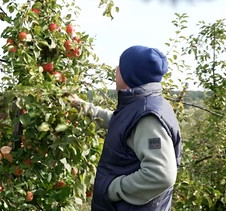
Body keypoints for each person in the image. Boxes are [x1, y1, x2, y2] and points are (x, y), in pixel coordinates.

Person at [70, 45, 182, 211]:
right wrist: (82, 106)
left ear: (130, 75)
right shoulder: (143, 105)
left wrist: (113, 188)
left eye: (120, 67)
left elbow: (162, 175)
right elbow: (120, 123)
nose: (116, 70)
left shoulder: (149, 118)